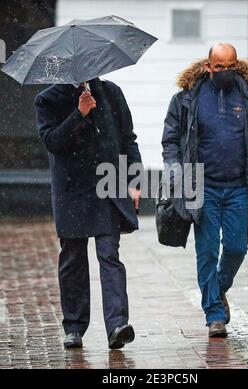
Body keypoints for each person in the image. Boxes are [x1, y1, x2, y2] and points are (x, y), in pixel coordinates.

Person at [162, 43, 248, 338]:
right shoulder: (187, 99)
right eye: (219, 67)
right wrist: (175, 171)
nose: (225, 72)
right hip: (203, 188)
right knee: (207, 250)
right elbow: (171, 139)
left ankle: (217, 288)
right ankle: (214, 314)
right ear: (208, 67)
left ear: (237, 65)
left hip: (240, 187)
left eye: (230, 67)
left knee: (237, 247)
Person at [35, 77, 142, 349]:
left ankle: (117, 325)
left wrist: (135, 181)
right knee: (73, 261)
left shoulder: (111, 93)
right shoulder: (48, 99)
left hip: (108, 188)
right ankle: (74, 327)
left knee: (110, 256)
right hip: (71, 193)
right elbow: (52, 142)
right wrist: (79, 114)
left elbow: (128, 139)